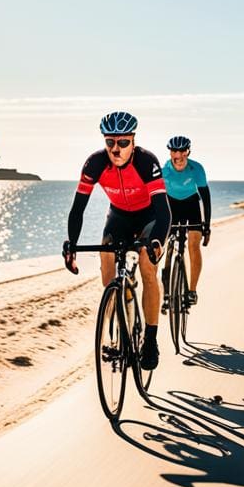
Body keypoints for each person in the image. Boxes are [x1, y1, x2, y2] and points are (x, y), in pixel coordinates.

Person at [63, 111, 171, 370]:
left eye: (123, 143)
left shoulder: (146, 162)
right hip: (119, 217)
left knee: (147, 268)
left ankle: (150, 340)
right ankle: (121, 321)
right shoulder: (94, 164)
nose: (116, 148)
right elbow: (78, 209)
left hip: (149, 217)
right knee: (108, 269)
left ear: (133, 141)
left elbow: (164, 210)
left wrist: (156, 242)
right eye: (110, 142)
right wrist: (72, 245)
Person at [160, 135, 211, 309]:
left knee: (193, 246)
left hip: (191, 205)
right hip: (171, 207)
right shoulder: (163, 171)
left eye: (183, 151)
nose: (179, 155)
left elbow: (205, 198)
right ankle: (166, 293)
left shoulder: (196, 169)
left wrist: (207, 226)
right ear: (170, 153)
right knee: (166, 248)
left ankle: (192, 290)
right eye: (175, 151)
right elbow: (156, 199)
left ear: (188, 152)